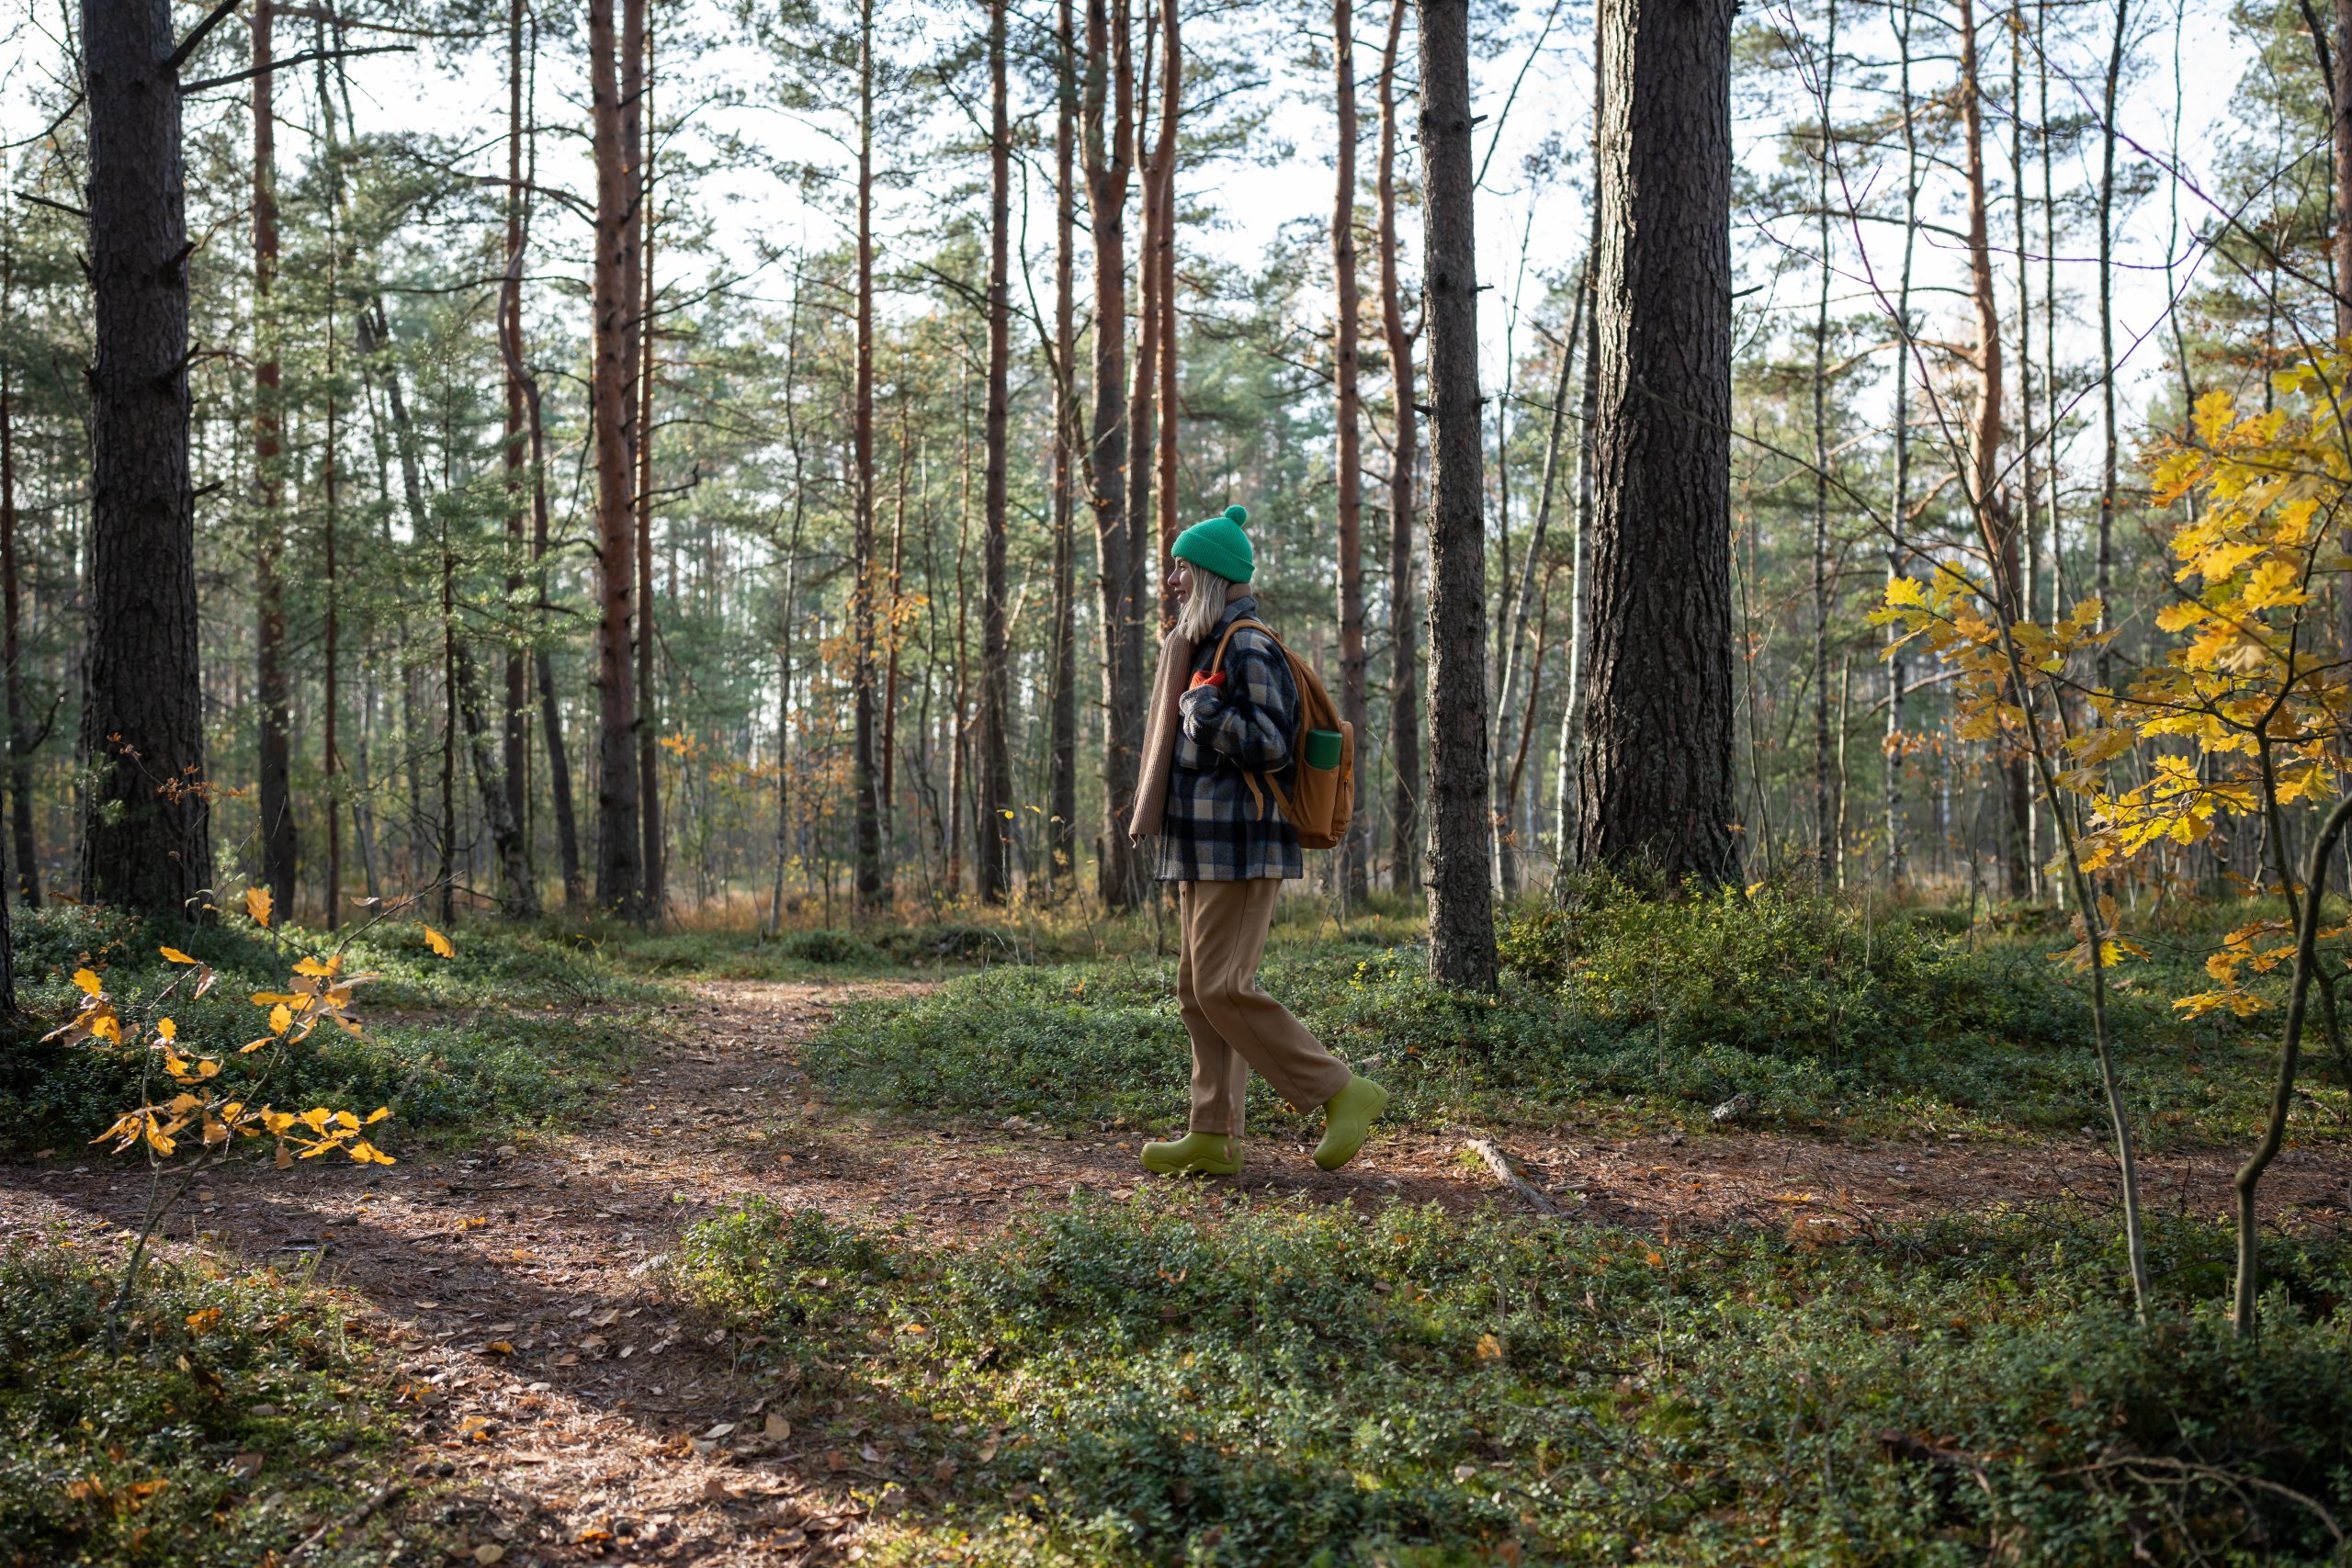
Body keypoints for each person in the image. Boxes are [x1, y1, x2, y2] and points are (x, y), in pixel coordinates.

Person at [1126, 502, 1387, 1178]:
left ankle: (1340, 1089)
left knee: (1221, 985)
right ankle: (1212, 1134)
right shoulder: (1205, 643)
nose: (1173, 580)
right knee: (1195, 988)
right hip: (1200, 842)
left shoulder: (1248, 643)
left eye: (1182, 569)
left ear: (1211, 574)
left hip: (1240, 843)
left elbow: (1271, 745)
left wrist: (1204, 713)